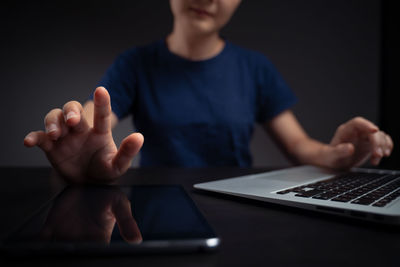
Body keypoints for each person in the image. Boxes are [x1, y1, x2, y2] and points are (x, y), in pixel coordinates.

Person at [24, 0, 393, 183]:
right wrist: (79, 136)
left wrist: (339, 154)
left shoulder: (255, 68)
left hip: (242, 206)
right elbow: (93, 123)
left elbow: (299, 146)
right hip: (156, 206)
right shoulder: (135, 64)